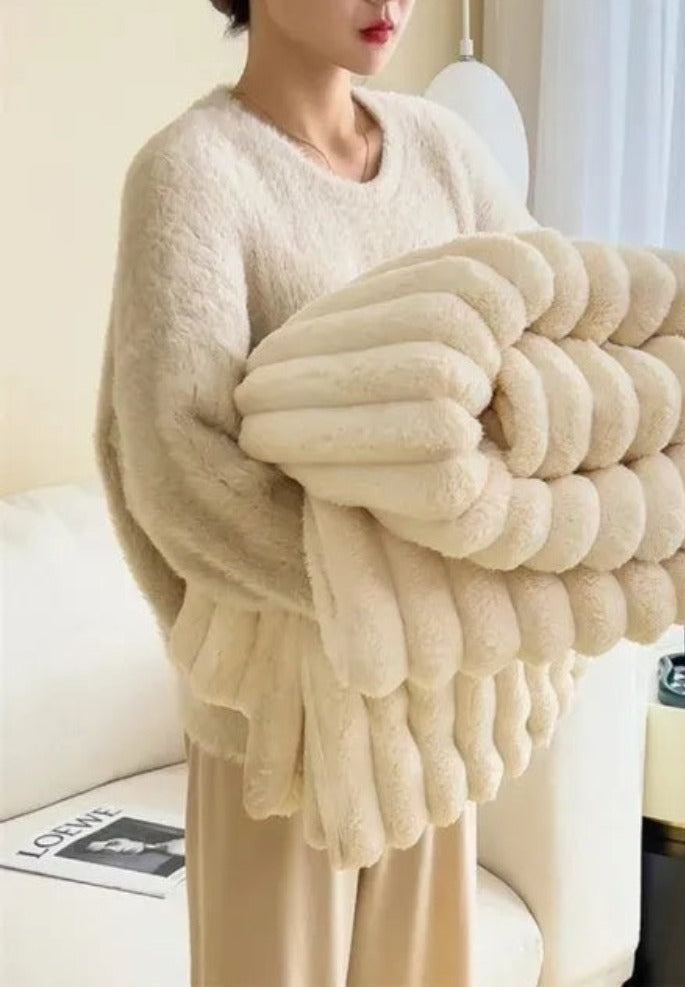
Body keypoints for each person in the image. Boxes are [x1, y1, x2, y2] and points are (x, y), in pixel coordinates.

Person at [92, 1, 536, 984]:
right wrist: (405, 590)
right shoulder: (193, 173)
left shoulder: (446, 153)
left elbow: (549, 346)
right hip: (280, 722)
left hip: (434, 714)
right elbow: (175, 469)